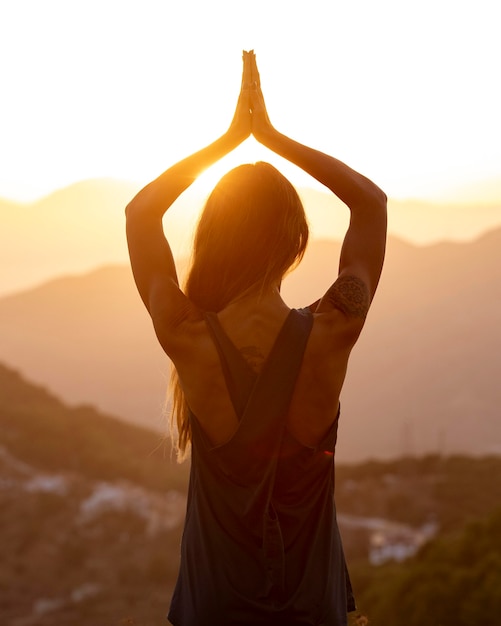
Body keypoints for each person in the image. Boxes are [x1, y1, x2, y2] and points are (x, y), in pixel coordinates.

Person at [126, 50, 387, 626]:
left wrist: (228, 142)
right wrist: (270, 137)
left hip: (213, 605)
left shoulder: (186, 332)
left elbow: (141, 214)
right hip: (311, 608)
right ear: (295, 240)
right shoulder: (334, 327)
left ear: (214, 236)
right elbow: (370, 203)